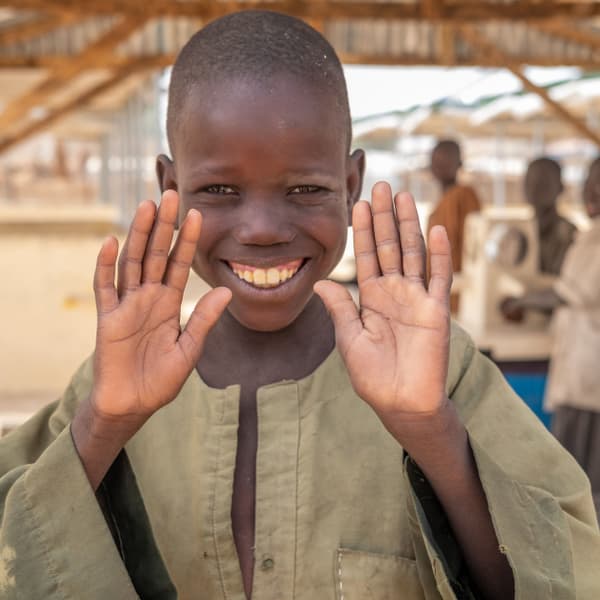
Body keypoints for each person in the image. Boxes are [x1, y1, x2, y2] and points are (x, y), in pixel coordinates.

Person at [0, 11, 599, 600]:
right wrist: (104, 427)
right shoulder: (113, 385)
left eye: (306, 189)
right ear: (169, 185)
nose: (262, 229)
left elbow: (572, 573)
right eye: (220, 190)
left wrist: (433, 431)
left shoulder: (440, 372)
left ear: (352, 182)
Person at [501, 157, 600, 515]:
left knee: (577, 478)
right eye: (589, 181)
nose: (592, 190)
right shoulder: (587, 236)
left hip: (588, 378)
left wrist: (521, 300)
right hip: (580, 373)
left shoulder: (589, 238)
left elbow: (567, 292)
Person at [427, 139, 481, 313]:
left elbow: (474, 247)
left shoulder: (465, 195)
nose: (439, 165)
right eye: (436, 160)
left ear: (459, 164)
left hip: (459, 293)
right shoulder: (440, 203)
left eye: (446, 160)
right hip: (436, 293)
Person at [523, 156, 576, 276]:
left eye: (544, 181)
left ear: (560, 187)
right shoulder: (521, 231)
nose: (534, 187)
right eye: (529, 180)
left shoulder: (569, 234)